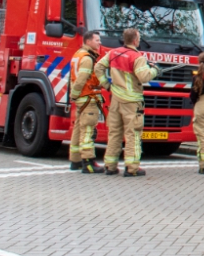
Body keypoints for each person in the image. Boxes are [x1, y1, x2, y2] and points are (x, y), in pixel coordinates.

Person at [95, 28, 159, 177]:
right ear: (135, 40)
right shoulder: (138, 57)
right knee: (133, 134)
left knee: (115, 133)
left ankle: (110, 166)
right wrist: (155, 70)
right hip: (132, 102)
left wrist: (106, 85)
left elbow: (98, 67)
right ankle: (132, 167)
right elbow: (143, 77)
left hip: (116, 99)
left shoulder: (113, 53)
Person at [68, 30, 104, 173]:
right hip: (88, 97)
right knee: (88, 130)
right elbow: (82, 79)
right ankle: (88, 163)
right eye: (97, 40)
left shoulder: (78, 55)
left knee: (78, 128)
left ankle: (75, 160)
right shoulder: (88, 58)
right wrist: (75, 94)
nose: (99, 43)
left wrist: (74, 97)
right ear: (88, 42)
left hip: (82, 99)